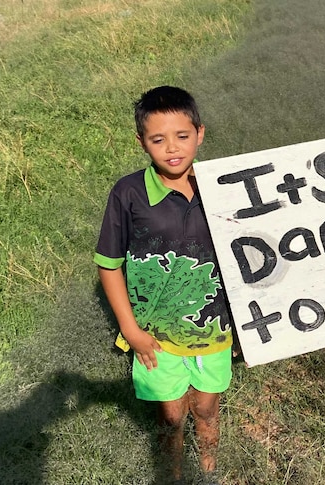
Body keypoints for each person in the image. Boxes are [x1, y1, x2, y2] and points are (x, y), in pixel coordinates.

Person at [94, 86, 233, 484]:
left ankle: (209, 468)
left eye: (182, 136)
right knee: (171, 415)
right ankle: (171, 474)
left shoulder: (220, 185)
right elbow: (109, 265)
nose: (172, 148)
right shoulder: (129, 193)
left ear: (200, 134)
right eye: (158, 139)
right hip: (154, 335)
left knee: (206, 407)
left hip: (214, 328)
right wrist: (130, 330)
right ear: (142, 142)